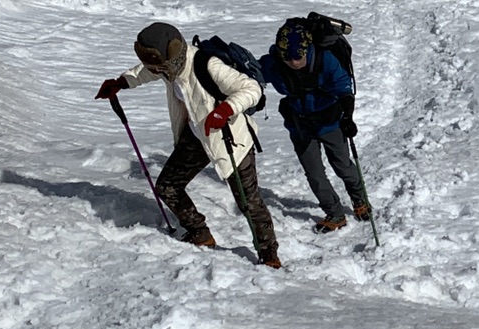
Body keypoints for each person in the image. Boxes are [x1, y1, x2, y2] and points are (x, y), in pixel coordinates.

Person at [96, 20, 281, 267]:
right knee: (168, 186)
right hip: (197, 135)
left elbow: (251, 89)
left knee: (249, 203)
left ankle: (269, 255)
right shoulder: (167, 68)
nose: (157, 71)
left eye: (159, 66)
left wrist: (226, 109)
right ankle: (200, 233)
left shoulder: (207, 65)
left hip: (230, 139)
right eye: (156, 67)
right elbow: (145, 71)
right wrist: (121, 82)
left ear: (172, 57)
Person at [259, 14, 370, 233]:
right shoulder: (275, 64)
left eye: (297, 57)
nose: (293, 62)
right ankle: (335, 214)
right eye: (287, 58)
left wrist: (347, 117)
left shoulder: (325, 59)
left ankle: (360, 201)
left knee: (343, 166)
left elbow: (343, 87)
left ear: (306, 48)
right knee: (315, 174)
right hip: (300, 126)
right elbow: (253, 73)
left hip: (330, 122)